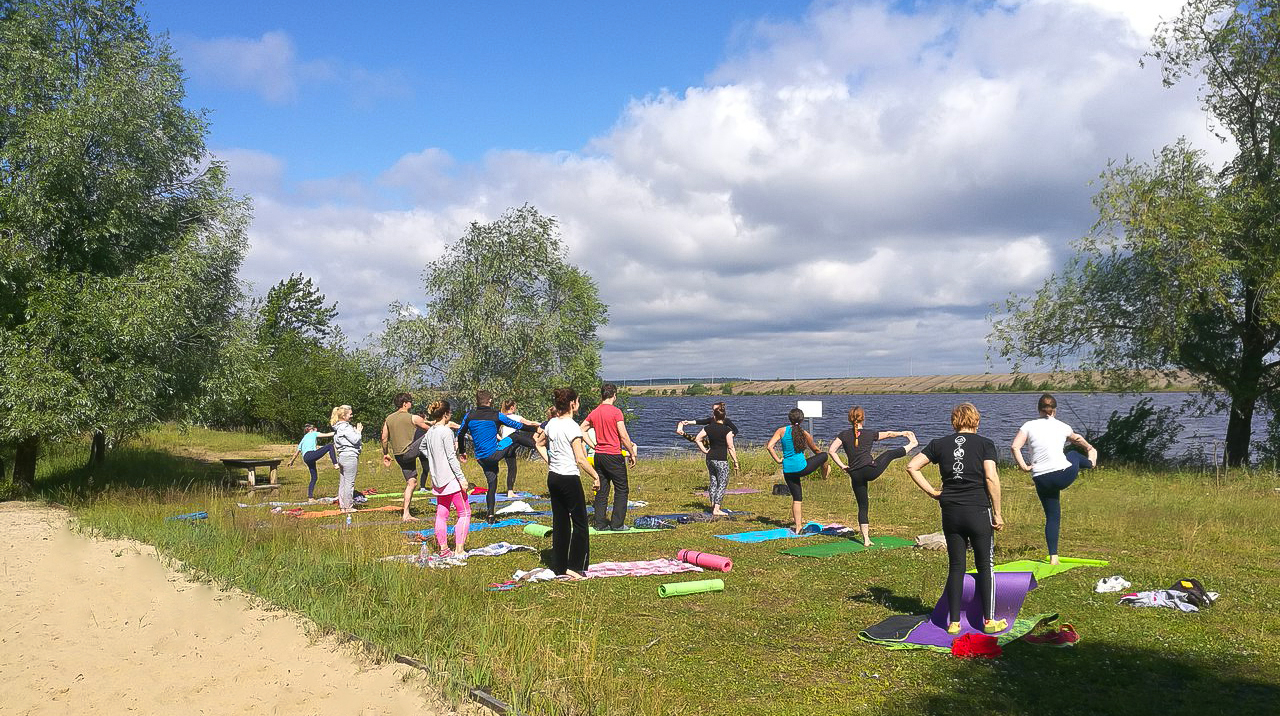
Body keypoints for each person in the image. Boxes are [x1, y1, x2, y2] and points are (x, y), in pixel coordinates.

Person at [905, 403, 1006, 635]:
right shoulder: (985, 444)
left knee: (956, 566)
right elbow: (990, 477)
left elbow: (912, 466)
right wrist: (998, 512)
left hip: (950, 511)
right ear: (977, 421)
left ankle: (954, 622)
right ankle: (989, 621)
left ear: (954, 422)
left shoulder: (939, 444)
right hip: (978, 509)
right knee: (985, 565)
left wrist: (932, 491)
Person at [1010, 394, 1099, 565]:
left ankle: (1053, 558)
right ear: (1055, 411)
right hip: (1062, 475)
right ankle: (1091, 462)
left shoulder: (1028, 425)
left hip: (1041, 478)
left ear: (1038, 409)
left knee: (1052, 516)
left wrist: (1023, 466)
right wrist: (1089, 448)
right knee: (1072, 453)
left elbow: (1015, 446)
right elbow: (1077, 438)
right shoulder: (1062, 426)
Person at [827, 407, 918, 546]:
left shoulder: (843, 435)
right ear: (863, 418)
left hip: (855, 474)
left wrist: (843, 466)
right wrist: (902, 433)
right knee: (888, 454)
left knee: (863, 506)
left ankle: (866, 540)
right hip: (870, 471)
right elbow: (888, 434)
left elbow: (832, 451)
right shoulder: (869, 434)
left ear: (849, 419)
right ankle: (913, 445)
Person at [535, 388, 599, 579]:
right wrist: (596, 476)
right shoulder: (572, 427)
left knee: (560, 522)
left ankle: (559, 565)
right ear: (573, 404)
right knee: (580, 523)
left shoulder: (551, 423)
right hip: (569, 478)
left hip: (553, 477)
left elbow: (538, 444)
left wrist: (551, 461)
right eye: (578, 401)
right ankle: (576, 567)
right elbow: (580, 459)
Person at [456, 391, 540, 522]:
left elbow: (460, 434)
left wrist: (462, 451)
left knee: (492, 483)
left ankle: (490, 515)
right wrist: (536, 429)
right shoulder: (496, 415)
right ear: (489, 401)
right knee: (515, 436)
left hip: (481, 458)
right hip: (494, 453)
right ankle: (540, 447)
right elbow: (517, 426)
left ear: (477, 401)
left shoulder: (469, 416)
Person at [581, 383, 638, 531]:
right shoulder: (616, 412)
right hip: (613, 454)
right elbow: (623, 435)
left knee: (602, 489)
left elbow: (581, 429)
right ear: (614, 395)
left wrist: (593, 445)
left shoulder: (594, 412)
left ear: (602, 395)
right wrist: (631, 452)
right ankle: (617, 524)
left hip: (599, 455)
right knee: (621, 489)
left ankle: (600, 523)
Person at [765, 408, 830, 533]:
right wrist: (823, 464)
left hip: (788, 470)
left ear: (790, 418)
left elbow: (769, 446)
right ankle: (825, 474)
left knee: (797, 498)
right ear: (802, 420)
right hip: (802, 468)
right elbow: (816, 450)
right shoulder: (804, 433)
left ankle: (798, 527)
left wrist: (778, 460)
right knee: (824, 455)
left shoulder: (781, 431)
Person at [422, 400, 471, 558]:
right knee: (464, 512)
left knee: (441, 514)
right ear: (446, 414)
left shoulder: (430, 432)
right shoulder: (446, 431)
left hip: (437, 479)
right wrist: (462, 479)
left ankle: (443, 549)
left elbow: (422, 447)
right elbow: (451, 458)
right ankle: (459, 549)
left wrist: (433, 458)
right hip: (450, 479)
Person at [381, 392, 432, 522]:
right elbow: (431, 429)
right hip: (409, 452)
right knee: (431, 434)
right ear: (405, 403)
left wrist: (385, 453)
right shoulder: (412, 417)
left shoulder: (388, 419)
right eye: (410, 402)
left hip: (398, 456)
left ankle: (406, 514)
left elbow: (384, 438)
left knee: (412, 482)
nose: (411, 404)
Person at [694, 403, 740, 516]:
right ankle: (717, 508)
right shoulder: (727, 430)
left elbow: (697, 439)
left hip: (710, 458)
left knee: (713, 482)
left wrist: (705, 450)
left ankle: (712, 505)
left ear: (714, 416)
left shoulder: (708, 428)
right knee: (722, 483)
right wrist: (735, 461)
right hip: (721, 460)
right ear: (724, 417)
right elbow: (730, 447)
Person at [498, 399, 539, 498]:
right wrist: (540, 424)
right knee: (517, 436)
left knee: (512, 468)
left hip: (504, 446)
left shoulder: (500, 417)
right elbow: (529, 423)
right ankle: (538, 445)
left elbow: (494, 432)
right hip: (512, 443)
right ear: (512, 407)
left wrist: (501, 440)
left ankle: (510, 491)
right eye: (515, 406)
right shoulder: (516, 417)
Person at [287, 423, 338, 500]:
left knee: (314, 477)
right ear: (311, 430)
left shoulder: (303, 439)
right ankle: (335, 464)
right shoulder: (313, 433)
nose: (316, 429)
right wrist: (339, 432)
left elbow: (296, 453)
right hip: (310, 455)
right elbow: (327, 434)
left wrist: (291, 461)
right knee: (330, 446)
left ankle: (310, 497)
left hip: (306, 458)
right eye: (314, 428)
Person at [330, 405, 363, 512]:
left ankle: (343, 506)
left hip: (342, 456)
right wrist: (358, 431)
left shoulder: (338, 428)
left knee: (343, 482)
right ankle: (348, 506)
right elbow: (355, 439)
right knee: (349, 483)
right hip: (349, 456)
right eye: (350, 414)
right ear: (344, 416)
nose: (351, 415)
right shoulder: (345, 427)